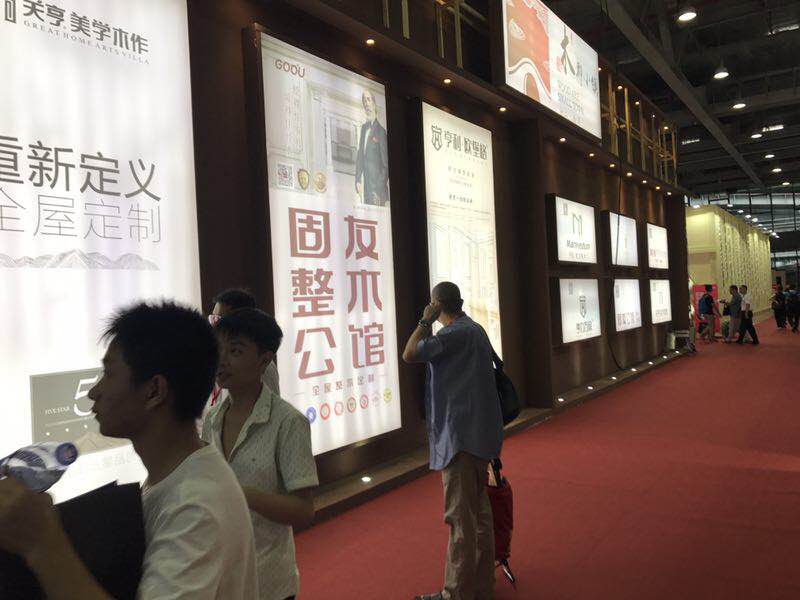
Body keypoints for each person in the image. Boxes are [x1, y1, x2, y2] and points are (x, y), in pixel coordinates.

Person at [0, 301, 258, 599]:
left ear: (154, 391)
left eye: (108, 374)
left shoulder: (196, 505)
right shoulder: (180, 476)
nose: (93, 392)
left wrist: (43, 544)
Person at [202, 308, 318, 600]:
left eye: (235, 351)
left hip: (267, 581)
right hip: (218, 580)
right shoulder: (212, 418)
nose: (221, 360)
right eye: (218, 349)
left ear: (264, 360)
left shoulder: (287, 422)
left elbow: (304, 510)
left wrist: (245, 495)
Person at [403, 282, 504, 600]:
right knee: (480, 516)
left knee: (460, 520)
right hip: (480, 435)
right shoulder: (475, 330)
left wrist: (425, 321)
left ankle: (456, 593)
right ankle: (481, 586)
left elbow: (409, 353)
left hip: (460, 439)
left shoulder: (451, 335)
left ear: (437, 305)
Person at [354, 89, 389, 207]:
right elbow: (360, 156)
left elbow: (385, 165)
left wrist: (377, 189)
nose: (366, 103)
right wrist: (358, 179)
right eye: (364, 101)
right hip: (366, 188)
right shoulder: (364, 129)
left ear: (374, 103)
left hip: (378, 192)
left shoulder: (381, 132)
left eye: (368, 100)